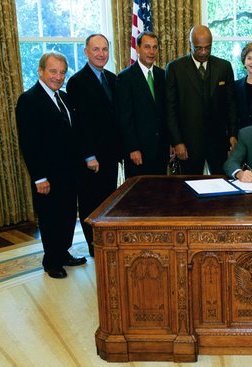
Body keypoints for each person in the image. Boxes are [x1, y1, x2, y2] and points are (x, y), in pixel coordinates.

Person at [16, 51, 86, 279]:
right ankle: (51, 261)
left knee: (67, 216)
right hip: (47, 176)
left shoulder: (64, 98)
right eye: (53, 71)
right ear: (41, 71)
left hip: (69, 173)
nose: (58, 76)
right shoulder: (29, 100)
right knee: (50, 218)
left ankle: (63, 252)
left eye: (62, 72)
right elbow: (29, 143)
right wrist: (39, 177)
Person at [66, 34, 121, 257]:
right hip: (92, 157)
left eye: (105, 49)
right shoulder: (77, 82)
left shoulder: (112, 78)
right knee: (91, 200)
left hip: (110, 154)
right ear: (86, 52)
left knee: (108, 199)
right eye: (96, 49)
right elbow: (80, 125)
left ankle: (103, 239)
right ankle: (92, 244)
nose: (101, 54)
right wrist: (89, 155)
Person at [165, 25, 237, 175]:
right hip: (188, 143)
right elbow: (170, 109)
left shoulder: (224, 67)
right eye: (198, 48)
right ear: (189, 44)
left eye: (207, 48)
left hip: (218, 143)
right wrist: (177, 141)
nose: (203, 52)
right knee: (189, 188)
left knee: (222, 185)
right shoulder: (175, 68)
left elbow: (231, 104)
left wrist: (232, 134)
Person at [116, 31, 169, 178]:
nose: (151, 52)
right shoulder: (125, 77)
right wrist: (133, 148)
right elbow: (125, 118)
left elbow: (165, 113)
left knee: (160, 193)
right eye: (147, 47)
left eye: (154, 47)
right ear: (138, 49)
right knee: (139, 197)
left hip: (160, 150)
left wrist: (169, 143)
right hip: (138, 152)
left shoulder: (162, 75)